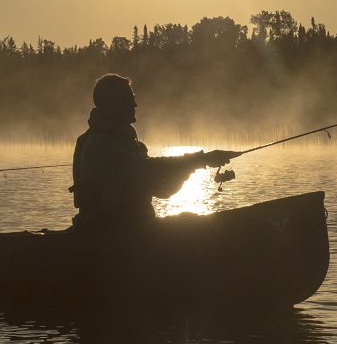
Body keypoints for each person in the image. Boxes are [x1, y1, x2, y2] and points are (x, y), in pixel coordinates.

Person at [70, 74, 239, 230]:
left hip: (135, 228)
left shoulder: (133, 146)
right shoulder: (100, 145)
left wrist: (191, 167)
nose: (135, 105)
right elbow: (144, 169)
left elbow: (163, 190)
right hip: (107, 233)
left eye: (133, 99)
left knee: (188, 220)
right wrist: (199, 159)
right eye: (128, 100)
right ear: (109, 104)